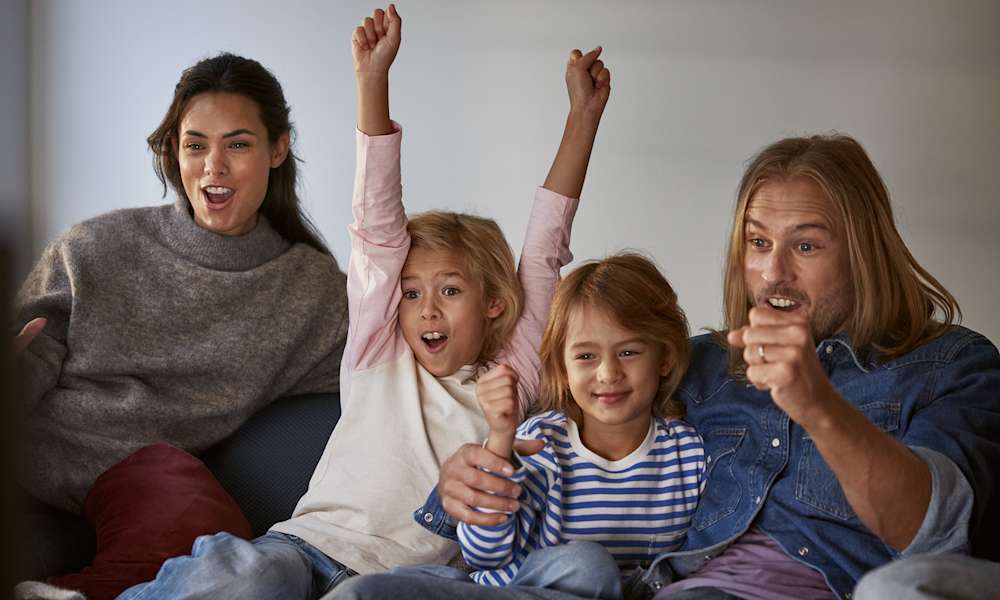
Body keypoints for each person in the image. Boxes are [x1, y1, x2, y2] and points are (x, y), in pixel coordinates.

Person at [335, 135, 1000, 600]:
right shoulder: (704, 365)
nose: (773, 273)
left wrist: (817, 404)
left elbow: (935, 533)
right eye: (758, 244)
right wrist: (469, 478)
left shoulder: (951, 366)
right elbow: (576, 416)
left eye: (807, 246)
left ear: (864, 251)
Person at [116, 4, 613, 599]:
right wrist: (372, 80)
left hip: (406, 580)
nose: (426, 309)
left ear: (495, 307)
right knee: (246, 574)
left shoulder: (512, 376)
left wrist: (583, 116)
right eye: (410, 293)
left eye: (450, 291)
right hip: (304, 549)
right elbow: (376, 226)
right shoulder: (381, 350)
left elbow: (543, 251)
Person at [12, 52, 349, 596]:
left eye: (237, 144)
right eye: (196, 144)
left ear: (278, 149)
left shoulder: (311, 292)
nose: (213, 166)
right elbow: (26, 361)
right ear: (174, 151)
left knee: (191, 513)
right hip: (28, 480)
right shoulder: (94, 248)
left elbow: (393, 356)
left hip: (147, 494)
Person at [376, 254, 705, 600]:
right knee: (368, 592)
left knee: (591, 567)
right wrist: (501, 438)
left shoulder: (688, 456)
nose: (608, 374)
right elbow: (483, 555)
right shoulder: (541, 443)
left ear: (665, 358)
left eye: (628, 353)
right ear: (563, 369)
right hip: (517, 592)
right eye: (586, 357)